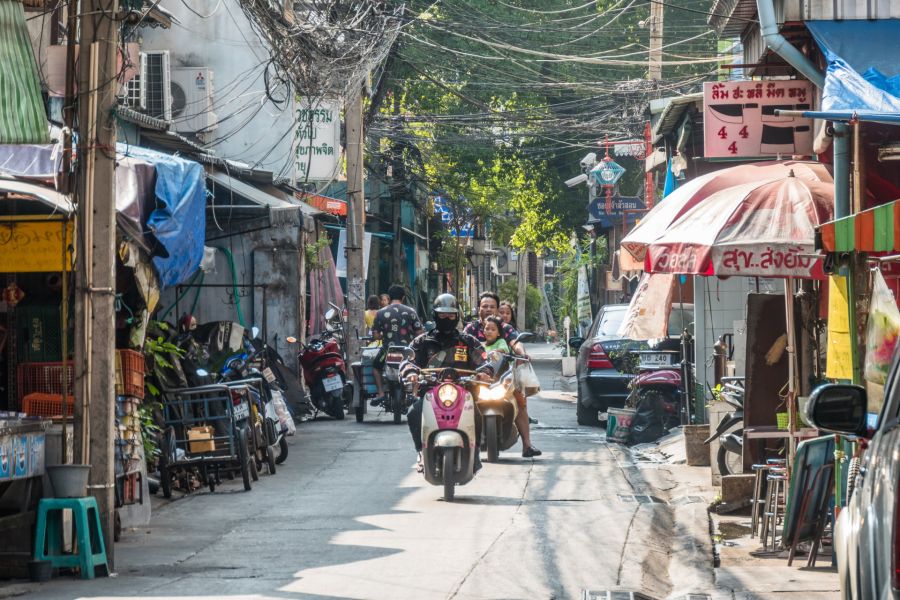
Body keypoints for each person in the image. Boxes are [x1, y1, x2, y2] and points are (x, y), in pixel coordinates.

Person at [402, 293, 493, 472]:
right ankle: (421, 451)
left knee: (477, 414)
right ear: (435, 315)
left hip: (464, 394)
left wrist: (484, 373)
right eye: (442, 315)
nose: (447, 319)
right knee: (413, 412)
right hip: (430, 394)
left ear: (457, 316)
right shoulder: (422, 341)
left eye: (451, 315)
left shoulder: (468, 341)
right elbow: (408, 362)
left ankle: (474, 455)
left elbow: (485, 362)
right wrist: (411, 373)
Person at [465, 291, 541, 458]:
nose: (488, 309)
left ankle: (527, 445)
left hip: (502, 377)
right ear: (478, 308)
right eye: (484, 306)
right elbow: (461, 346)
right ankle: (463, 445)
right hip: (475, 377)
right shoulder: (470, 328)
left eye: (492, 306)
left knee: (520, 400)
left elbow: (515, 342)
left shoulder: (505, 328)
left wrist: (522, 354)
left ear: (497, 309)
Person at [371, 285, 424, 404]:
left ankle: (381, 393)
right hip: (408, 351)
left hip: (387, 350)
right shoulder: (411, 312)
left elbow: (376, 336)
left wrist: (384, 334)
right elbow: (419, 334)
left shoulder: (381, 313)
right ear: (403, 297)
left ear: (389, 298)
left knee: (375, 367)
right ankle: (414, 394)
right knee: (418, 367)